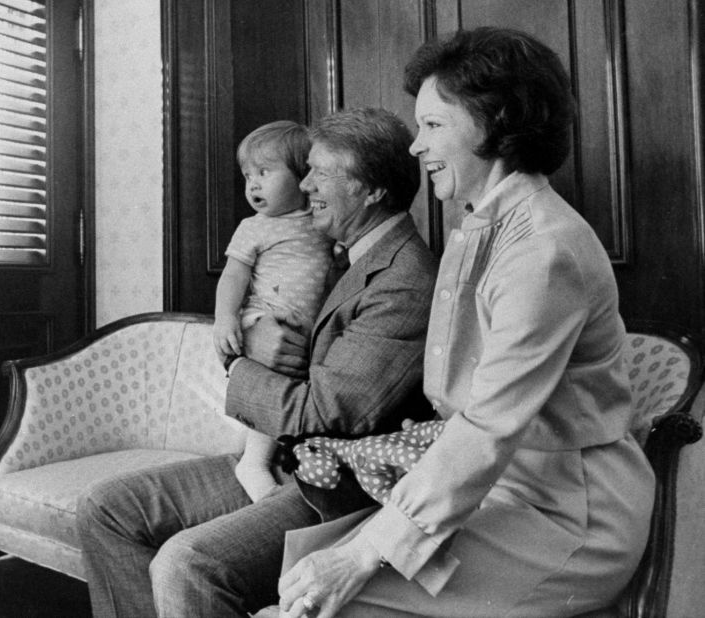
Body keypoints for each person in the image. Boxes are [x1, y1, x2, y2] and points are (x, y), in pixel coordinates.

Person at [275, 27, 655, 618]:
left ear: (496, 121)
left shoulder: (543, 250)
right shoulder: (483, 225)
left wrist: (365, 553)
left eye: (433, 126)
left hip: (569, 516)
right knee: (302, 576)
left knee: (322, 602)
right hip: (500, 489)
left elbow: (489, 424)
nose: (413, 147)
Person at [76, 107, 438, 617]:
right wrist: (251, 332)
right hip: (287, 457)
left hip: (333, 484)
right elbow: (270, 303)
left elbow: (331, 411)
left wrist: (241, 364)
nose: (306, 184)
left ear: (371, 189)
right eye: (305, 170)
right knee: (105, 509)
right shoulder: (339, 249)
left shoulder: (403, 278)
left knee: (186, 563)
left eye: (321, 174)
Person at [213, 120, 333, 502]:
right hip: (263, 317)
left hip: (303, 328)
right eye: (248, 175)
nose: (253, 184)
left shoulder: (321, 221)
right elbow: (233, 276)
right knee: (275, 380)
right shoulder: (255, 227)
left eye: (264, 172)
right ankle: (254, 461)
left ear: (303, 175)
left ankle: (283, 457)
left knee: (299, 387)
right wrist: (226, 318)